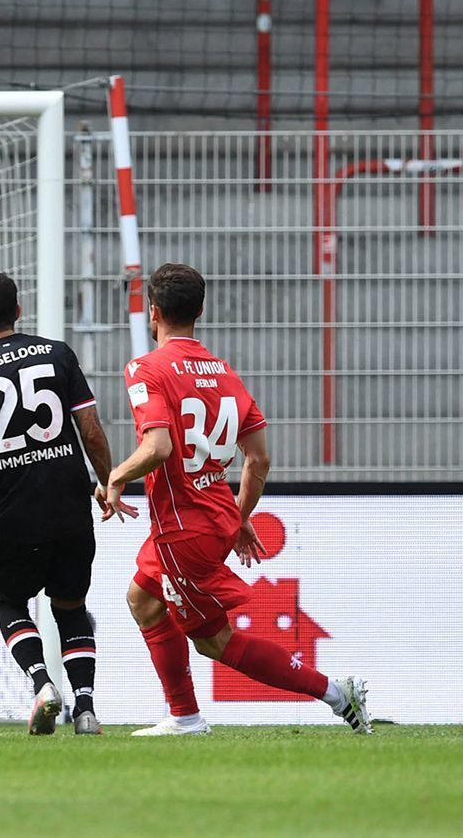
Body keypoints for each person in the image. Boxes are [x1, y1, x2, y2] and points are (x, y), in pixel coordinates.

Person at [99, 263, 372, 735]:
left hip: (182, 530)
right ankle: (184, 714)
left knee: (216, 643)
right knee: (142, 599)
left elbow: (158, 447)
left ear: (153, 313)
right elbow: (259, 460)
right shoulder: (224, 373)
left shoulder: (145, 368)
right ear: (200, 311)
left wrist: (116, 476)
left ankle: (335, 693)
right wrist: (237, 516)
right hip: (209, 518)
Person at [0, 272, 115, 736]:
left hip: (11, 512)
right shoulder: (58, 354)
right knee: (71, 605)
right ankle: (87, 708)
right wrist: (108, 481)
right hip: (70, 505)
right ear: (18, 310)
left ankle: (42, 685)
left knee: (9, 600)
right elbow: (90, 429)